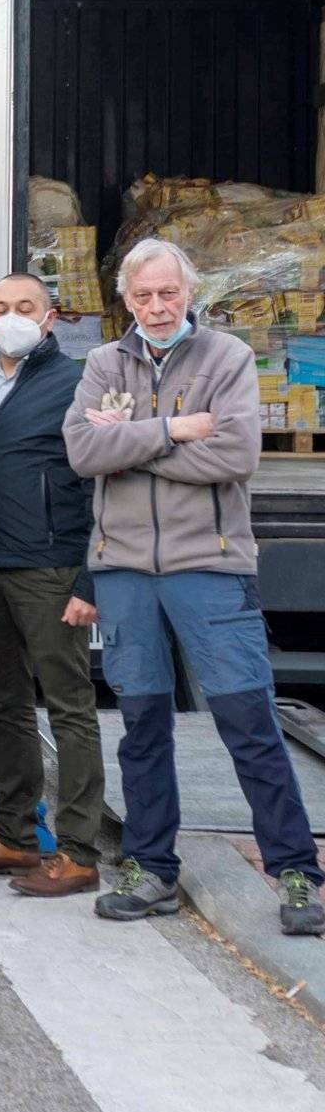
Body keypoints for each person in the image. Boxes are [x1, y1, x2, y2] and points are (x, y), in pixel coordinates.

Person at [68, 238, 322, 938]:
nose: (156, 306)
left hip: (209, 567)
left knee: (250, 723)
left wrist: (134, 446)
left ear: (189, 293)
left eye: (168, 293)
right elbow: (82, 451)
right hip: (123, 573)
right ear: (125, 298)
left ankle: (296, 870)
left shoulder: (228, 358)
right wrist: (176, 428)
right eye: (143, 295)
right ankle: (151, 866)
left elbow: (237, 454)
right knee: (143, 728)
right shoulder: (101, 363)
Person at [0, 273, 105, 897]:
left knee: (69, 708)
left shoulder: (76, 382)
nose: (11, 317)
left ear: (50, 318)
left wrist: (89, 578)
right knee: (3, 706)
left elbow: (99, 487)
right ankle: (15, 838)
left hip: (49, 570)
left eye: (24, 307)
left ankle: (80, 852)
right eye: (1, 307)